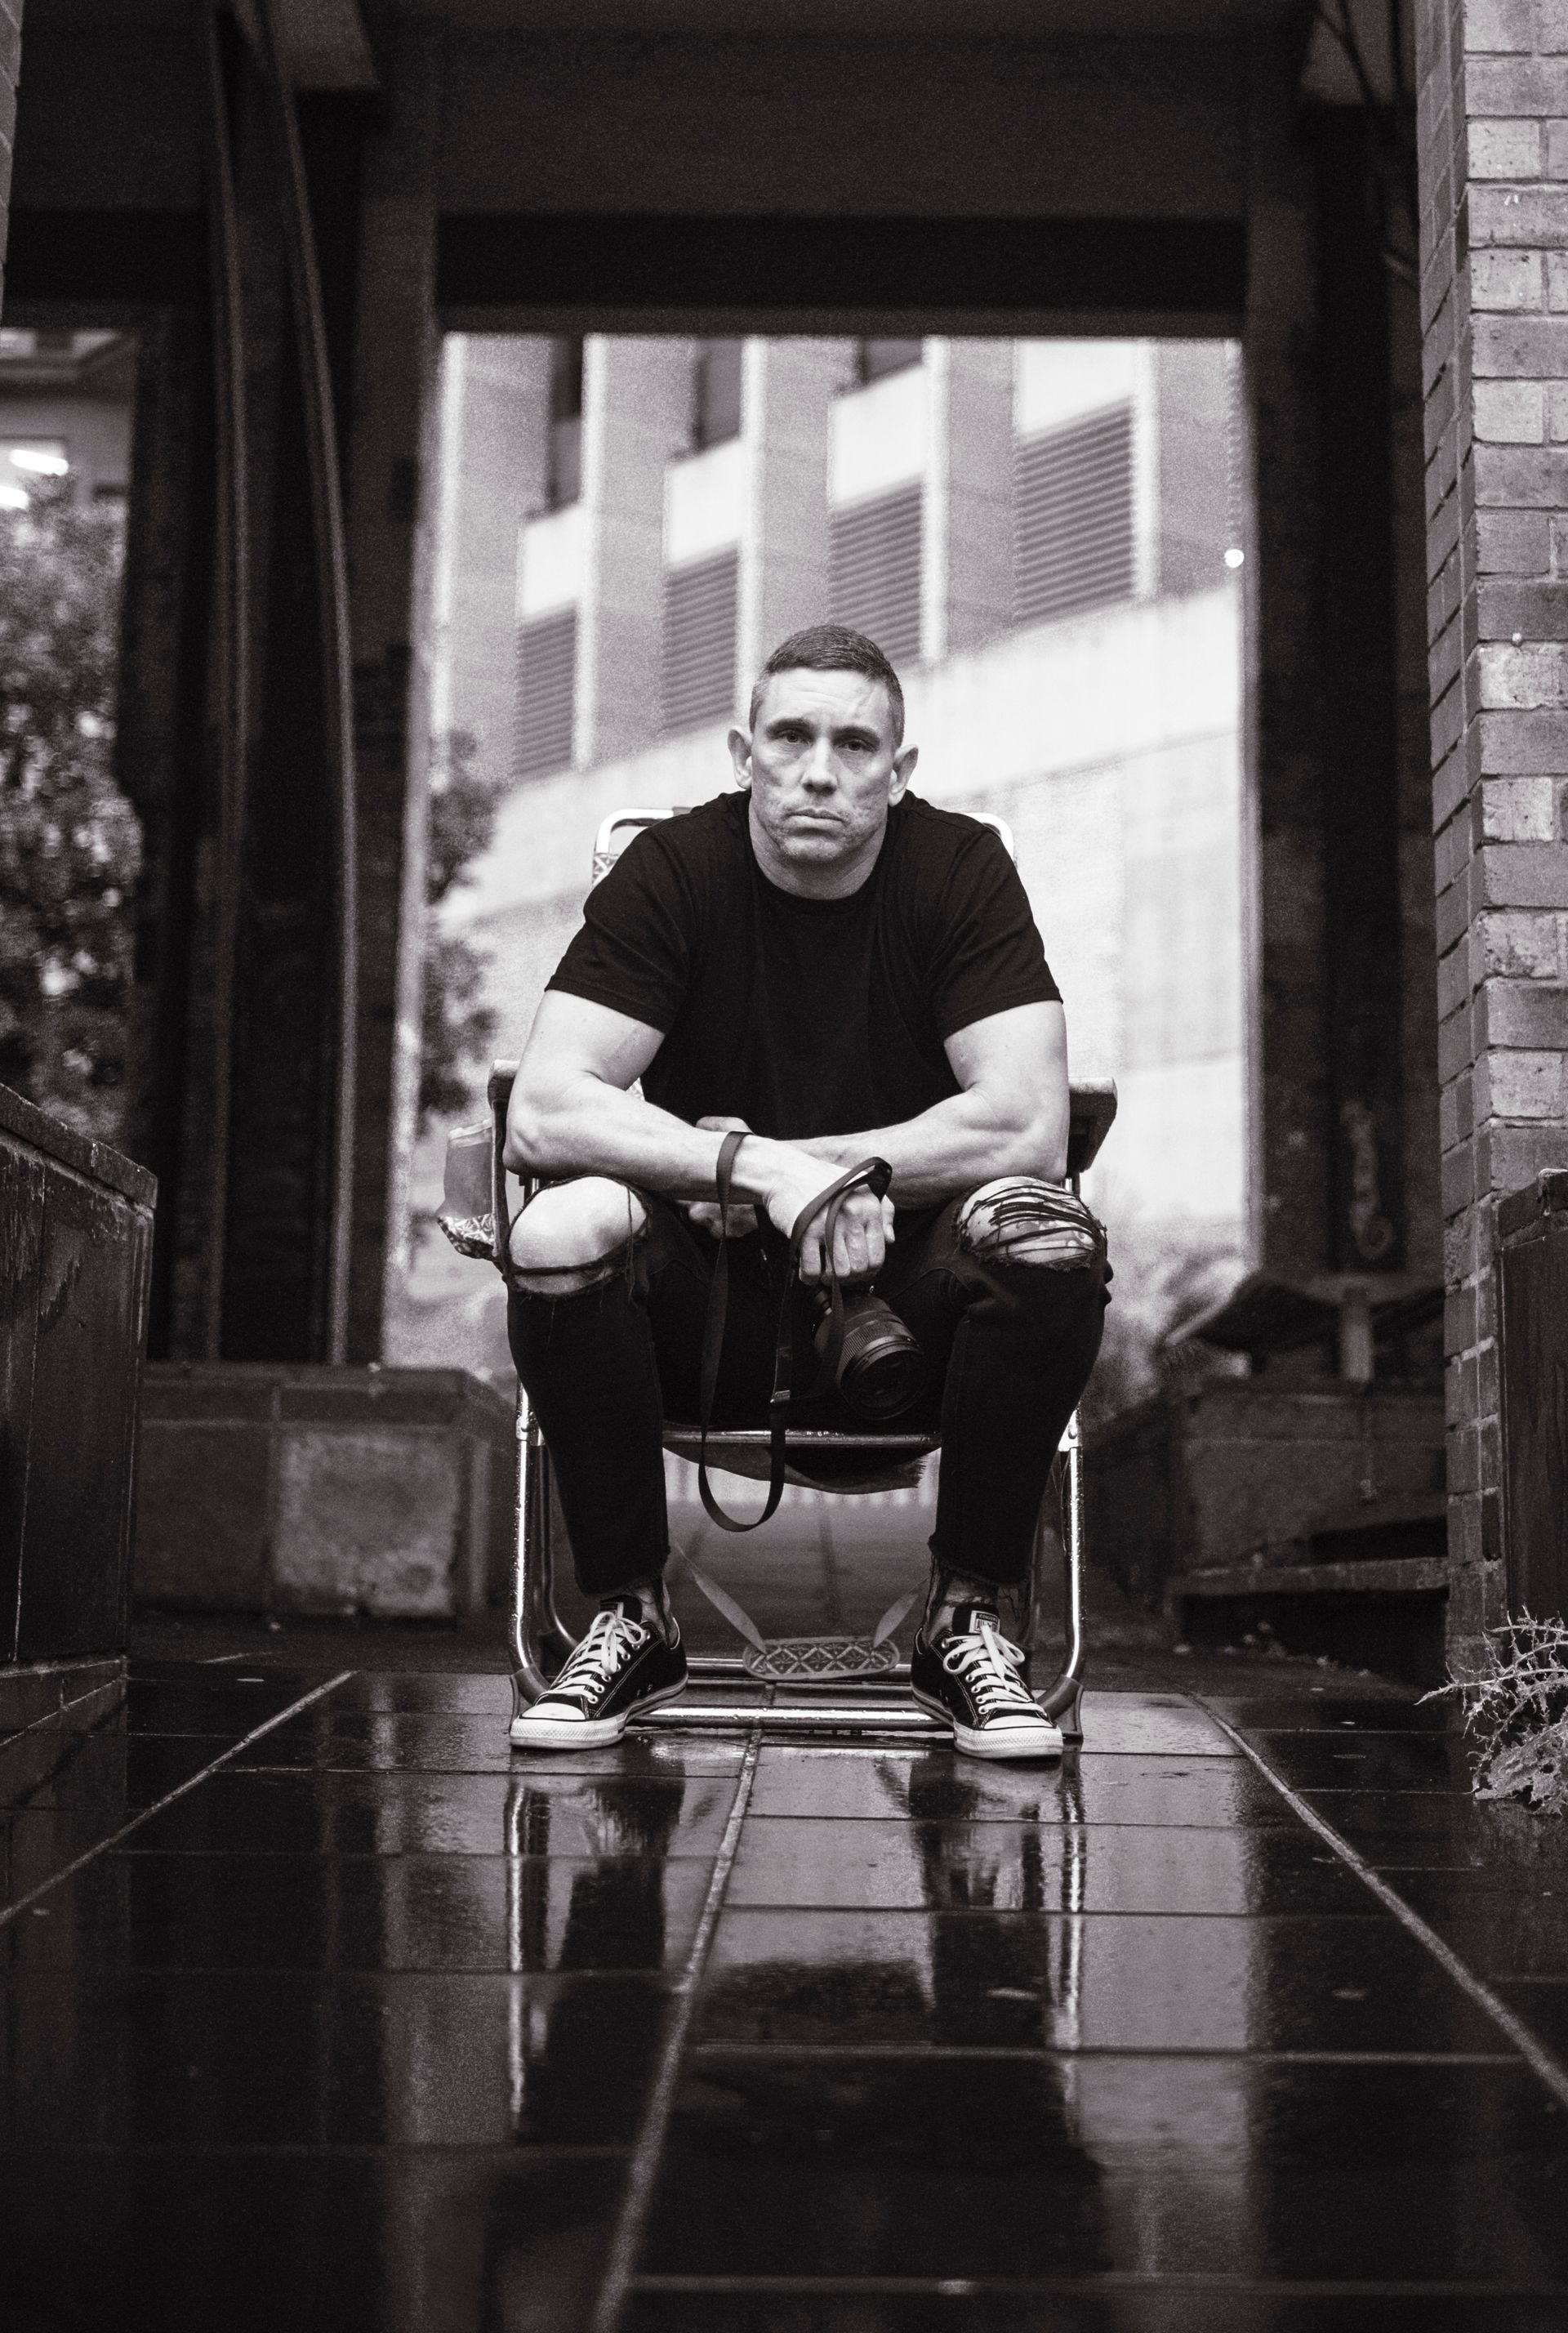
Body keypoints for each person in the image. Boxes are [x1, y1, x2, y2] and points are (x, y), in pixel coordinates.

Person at [503, 624, 1108, 1760]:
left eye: (854, 742)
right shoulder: (676, 872)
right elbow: (546, 1106)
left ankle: (968, 1620)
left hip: (908, 1314)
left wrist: (824, 1173)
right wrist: (751, 1174)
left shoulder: (961, 869)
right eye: (790, 736)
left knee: (1041, 1228)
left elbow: (1028, 1120)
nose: (820, 769)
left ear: (900, 770)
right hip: (704, 1305)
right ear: (744, 752)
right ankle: (630, 1618)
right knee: (558, 1224)